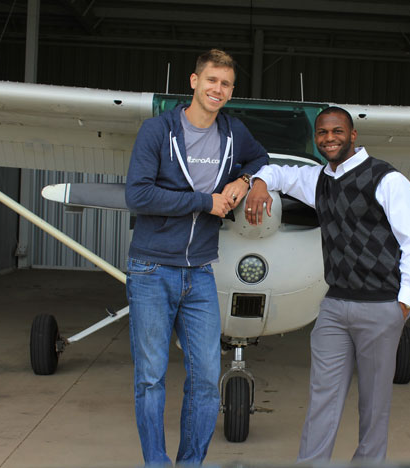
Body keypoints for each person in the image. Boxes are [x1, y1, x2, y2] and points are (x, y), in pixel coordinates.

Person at [245, 106, 410, 462]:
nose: (329, 139)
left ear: (353, 135)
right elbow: (278, 172)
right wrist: (259, 184)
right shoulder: (318, 179)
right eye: (322, 133)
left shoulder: (386, 180)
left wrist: (403, 303)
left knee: (374, 407)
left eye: (337, 132)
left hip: (380, 306)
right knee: (321, 401)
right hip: (333, 307)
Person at [124, 49, 268, 465]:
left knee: (205, 381)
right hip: (151, 268)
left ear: (231, 90)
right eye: (211, 81)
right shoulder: (157, 131)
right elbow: (138, 195)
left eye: (225, 84)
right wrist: (205, 201)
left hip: (200, 272)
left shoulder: (233, 131)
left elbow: (260, 157)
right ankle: (156, 461)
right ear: (193, 81)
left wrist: (247, 181)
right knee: (151, 379)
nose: (217, 90)